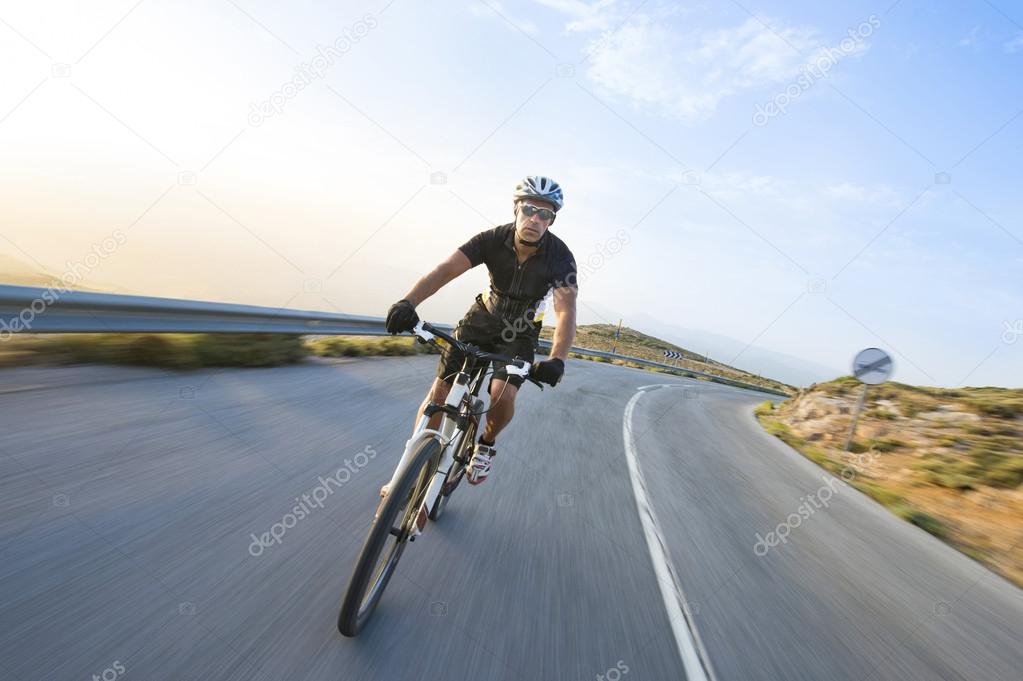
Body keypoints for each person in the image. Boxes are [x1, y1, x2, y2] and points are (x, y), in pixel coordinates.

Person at [383, 175, 578, 491]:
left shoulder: (561, 257)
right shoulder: (490, 239)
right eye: (529, 209)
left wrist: (557, 359)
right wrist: (408, 302)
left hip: (521, 332)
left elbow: (566, 309)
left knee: (504, 393)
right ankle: (407, 470)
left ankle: (485, 443)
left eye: (545, 214)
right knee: (439, 394)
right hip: (482, 318)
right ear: (516, 208)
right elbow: (445, 270)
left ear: (552, 220)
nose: (535, 219)